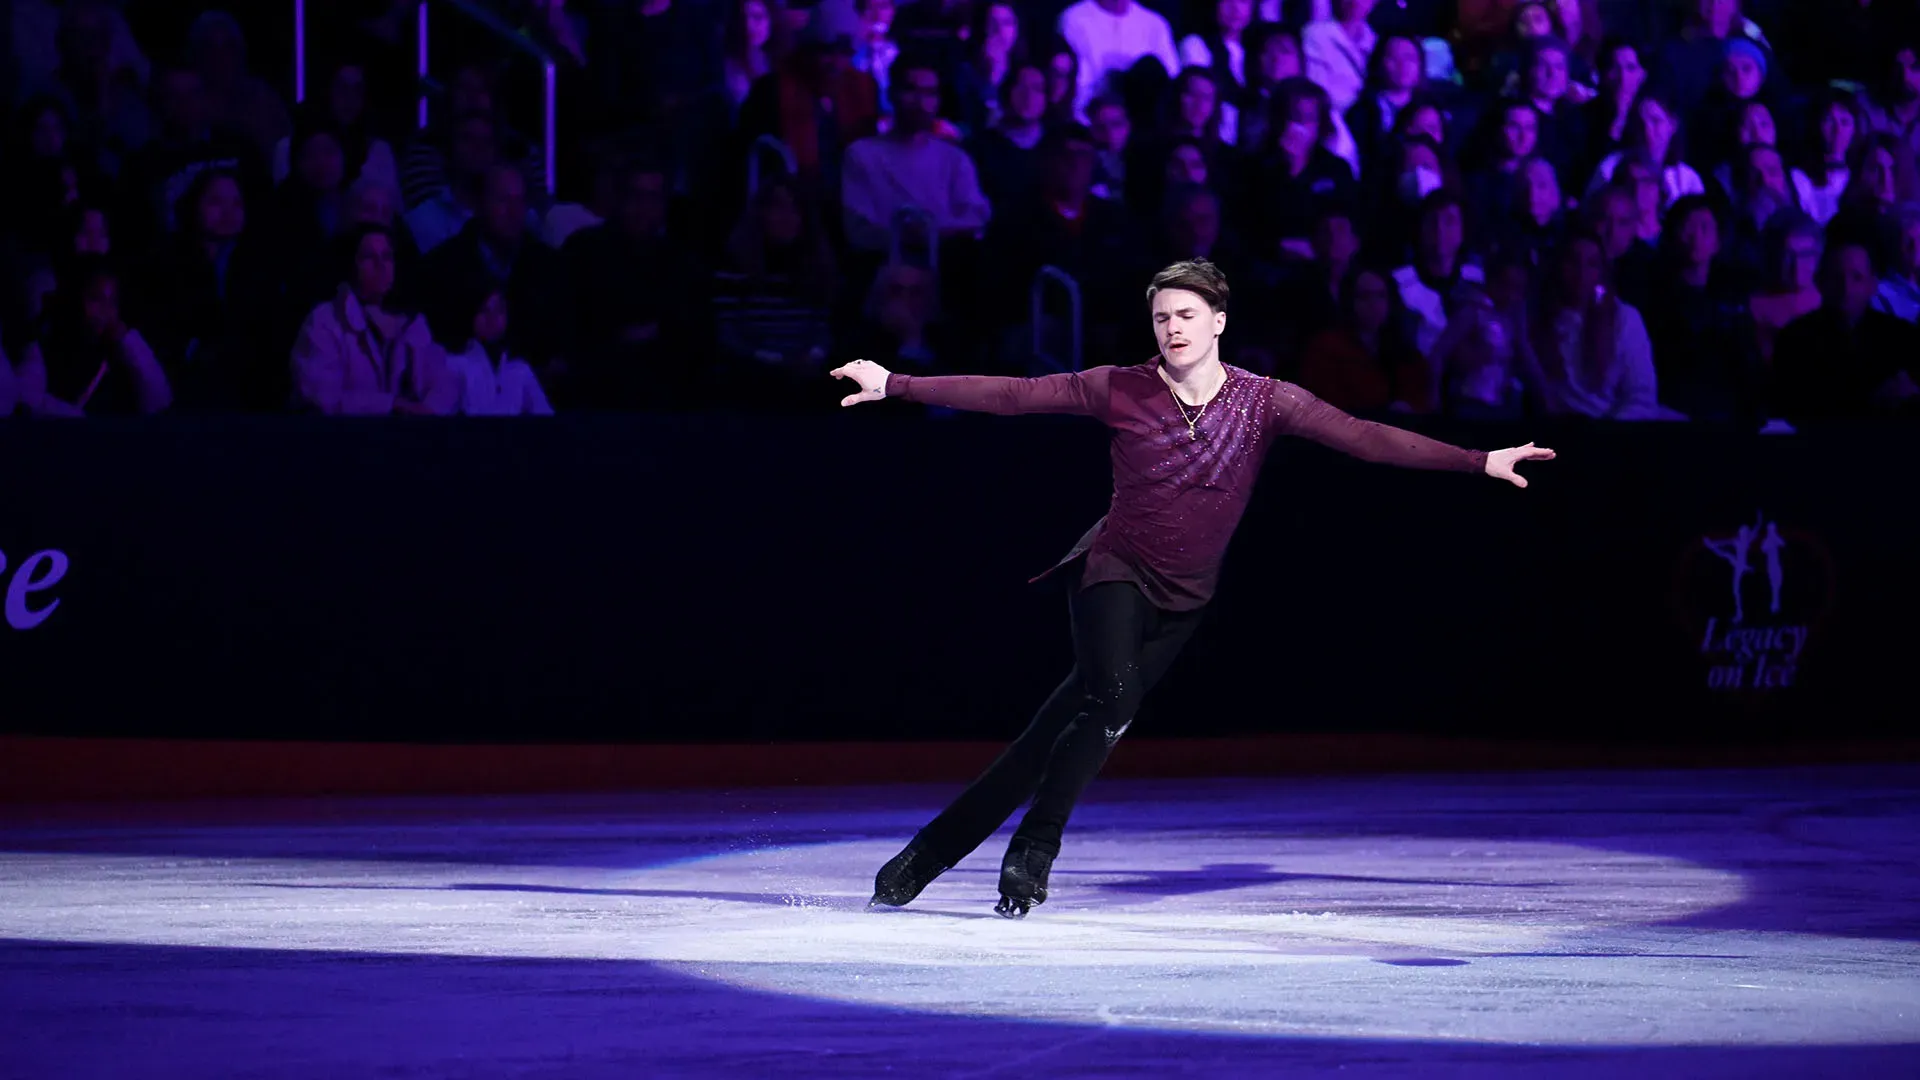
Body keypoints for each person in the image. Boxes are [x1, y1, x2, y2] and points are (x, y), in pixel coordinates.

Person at [832, 259, 1554, 918]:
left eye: (1185, 314)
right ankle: (1034, 852)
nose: (1172, 328)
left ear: (1218, 321)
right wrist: (896, 383)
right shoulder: (1122, 387)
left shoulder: (1266, 401)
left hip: (1187, 597)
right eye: (1161, 317)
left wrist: (1477, 459)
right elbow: (1016, 395)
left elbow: (1364, 436)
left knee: (1055, 734)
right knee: (1113, 698)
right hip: (1112, 568)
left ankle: (923, 858)